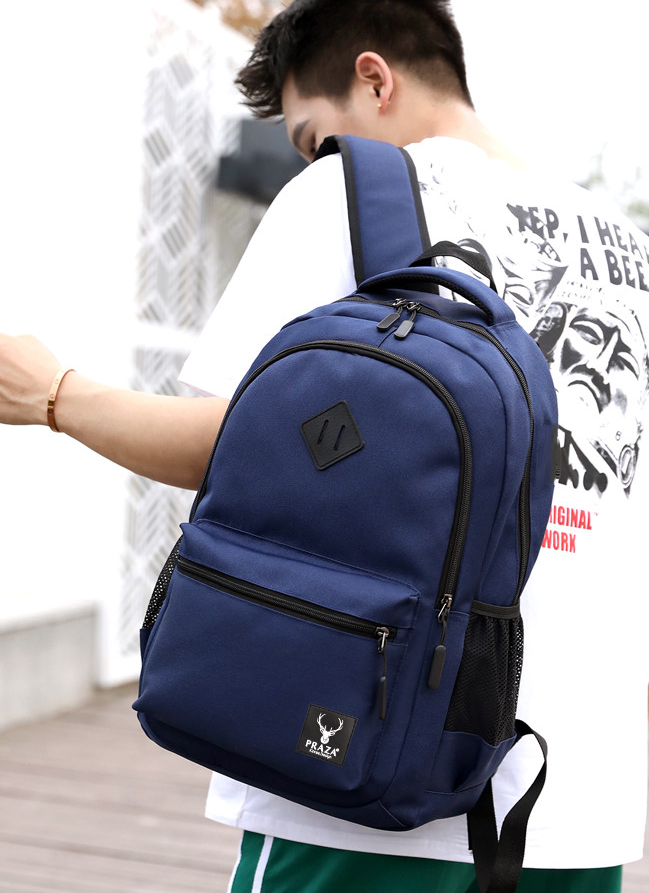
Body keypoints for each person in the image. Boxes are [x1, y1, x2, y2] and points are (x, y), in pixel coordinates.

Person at [0, 1, 647, 891]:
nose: (312, 158)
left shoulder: (352, 192)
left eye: (311, 135)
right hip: (575, 800)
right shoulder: (630, 250)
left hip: (364, 767)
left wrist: (55, 394)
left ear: (373, 78)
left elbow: (229, 447)